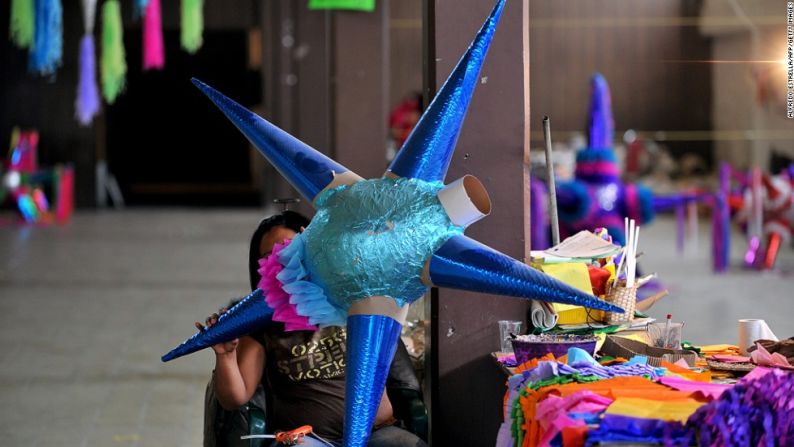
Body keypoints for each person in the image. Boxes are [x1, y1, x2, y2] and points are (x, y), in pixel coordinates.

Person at [204, 211, 426, 447]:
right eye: (271, 257)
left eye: (290, 249)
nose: (283, 261)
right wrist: (225, 355)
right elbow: (234, 398)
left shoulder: (351, 298)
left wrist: (324, 253)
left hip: (377, 434)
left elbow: (381, 270)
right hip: (311, 440)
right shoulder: (263, 327)